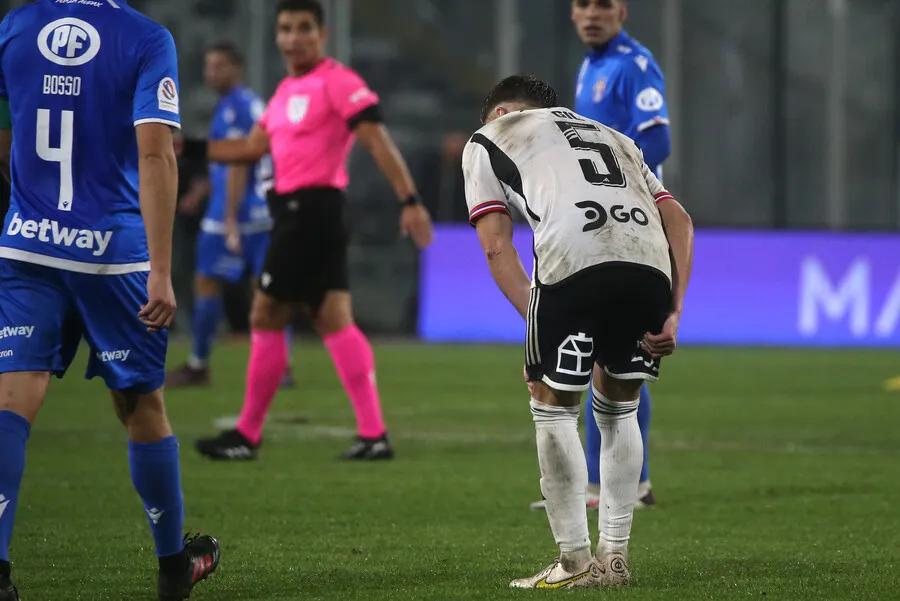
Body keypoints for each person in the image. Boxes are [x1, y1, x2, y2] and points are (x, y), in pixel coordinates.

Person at [0, 1, 220, 600]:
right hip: (113, 255)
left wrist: (29, 204)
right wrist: (162, 271)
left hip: (28, 244)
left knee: (13, 401)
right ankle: (173, 567)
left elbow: (7, 128)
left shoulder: (16, 27)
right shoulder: (146, 39)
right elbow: (156, 154)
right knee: (140, 405)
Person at [463, 74, 692, 588]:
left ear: (500, 113)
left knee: (552, 402)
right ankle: (615, 560)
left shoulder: (488, 137)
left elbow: (496, 245)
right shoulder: (615, 136)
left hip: (573, 259)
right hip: (648, 264)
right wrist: (673, 310)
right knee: (620, 406)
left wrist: (538, 322)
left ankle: (572, 563)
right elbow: (678, 218)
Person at [188, 0, 433, 462]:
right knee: (333, 319)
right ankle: (374, 435)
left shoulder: (338, 81)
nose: (294, 37)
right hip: (302, 214)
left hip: (311, 212)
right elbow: (250, 147)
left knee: (265, 314)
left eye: (304, 28)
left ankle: (246, 434)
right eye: (286, 28)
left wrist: (410, 200)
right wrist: (188, 147)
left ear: (322, 35)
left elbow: (376, 140)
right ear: (277, 36)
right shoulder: (285, 91)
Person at [531, 0, 672, 512]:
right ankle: (624, 485)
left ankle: (621, 486)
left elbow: (658, 139)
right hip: (601, 224)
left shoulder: (635, 66)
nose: (592, 13)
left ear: (623, 11)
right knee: (608, 355)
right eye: (583, 4)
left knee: (619, 357)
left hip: (630, 224)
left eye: (604, 4)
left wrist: (617, 187)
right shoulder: (591, 66)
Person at [166, 41, 295, 389]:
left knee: (210, 281)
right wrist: (200, 191)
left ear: (237, 69)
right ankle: (281, 366)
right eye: (208, 66)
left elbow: (239, 162)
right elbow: (224, 161)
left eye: (219, 66)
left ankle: (199, 363)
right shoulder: (242, 104)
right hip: (260, 211)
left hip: (238, 213)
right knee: (269, 289)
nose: (211, 73)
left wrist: (230, 220)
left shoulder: (236, 107)